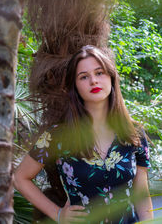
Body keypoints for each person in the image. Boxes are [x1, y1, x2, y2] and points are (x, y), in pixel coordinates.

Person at [14, 45, 153, 223]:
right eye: (84, 77)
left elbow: (142, 193)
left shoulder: (133, 133)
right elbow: (20, 178)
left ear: (111, 78)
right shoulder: (56, 137)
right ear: (75, 86)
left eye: (99, 73)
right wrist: (57, 214)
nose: (93, 81)